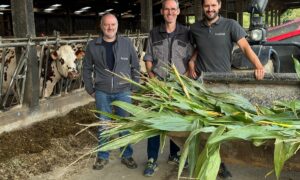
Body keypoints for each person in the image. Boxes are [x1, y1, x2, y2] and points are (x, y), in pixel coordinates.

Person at [82, 13, 140, 170]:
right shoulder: (93, 46)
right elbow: (86, 69)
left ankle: (126, 155)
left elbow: (135, 66)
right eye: (106, 25)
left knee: (124, 125)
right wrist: (90, 89)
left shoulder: (126, 44)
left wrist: (134, 87)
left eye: (113, 24)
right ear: (101, 26)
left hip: (123, 91)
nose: (110, 27)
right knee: (104, 125)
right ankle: (102, 156)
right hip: (102, 92)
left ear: (117, 26)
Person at [143, 0, 194, 177]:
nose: (170, 12)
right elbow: (148, 57)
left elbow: (192, 57)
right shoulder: (154, 33)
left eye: (173, 9)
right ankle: (152, 159)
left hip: (179, 88)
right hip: (158, 86)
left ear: (178, 11)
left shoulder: (187, 33)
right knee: (154, 124)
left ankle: (175, 154)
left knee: (178, 123)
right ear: (162, 11)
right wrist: (152, 77)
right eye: (167, 9)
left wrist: (185, 80)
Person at [188, 0, 265, 80]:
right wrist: (192, 61)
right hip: (200, 79)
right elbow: (198, 48)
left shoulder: (231, 25)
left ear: (219, 5)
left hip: (223, 78)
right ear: (202, 6)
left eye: (213, 5)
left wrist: (258, 66)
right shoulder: (194, 28)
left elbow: (245, 48)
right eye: (206, 6)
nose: (210, 9)